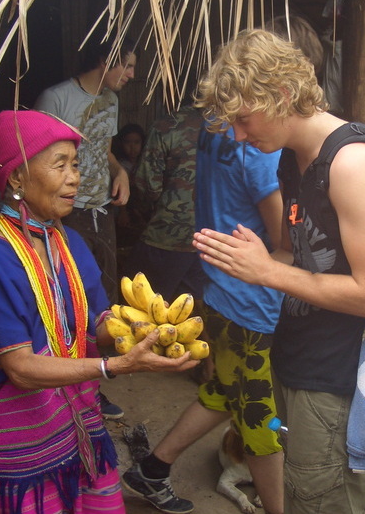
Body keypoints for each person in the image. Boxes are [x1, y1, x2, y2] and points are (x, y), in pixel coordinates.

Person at [190, 29, 365, 514]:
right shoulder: (292, 159)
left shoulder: (352, 165)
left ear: (281, 95)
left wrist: (267, 272)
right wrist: (247, 261)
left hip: (337, 371)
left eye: (244, 119)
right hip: (298, 354)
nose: (239, 135)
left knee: (318, 498)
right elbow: (306, 261)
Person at [0, 110, 197, 514]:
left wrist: (144, 331)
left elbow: (96, 323)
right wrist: (113, 367)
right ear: (16, 177)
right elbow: (20, 368)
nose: (74, 177)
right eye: (60, 165)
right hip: (23, 447)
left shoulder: (66, 242)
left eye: (76, 164)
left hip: (79, 426)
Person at [122, 126, 285, 514]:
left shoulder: (216, 128)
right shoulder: (259, 146)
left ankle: (153, 468)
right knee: (260, 415)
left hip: (219, 286)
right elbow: (284, 241)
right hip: (252, 301)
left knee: (229, 391)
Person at [35, 38, 135, 420]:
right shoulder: (55, 98)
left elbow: (104, 150)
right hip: (66, 214)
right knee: (67, 302)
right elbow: (39, 159)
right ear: (104, 60)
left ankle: (91, 388)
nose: (131, 75)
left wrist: (120, 170)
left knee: (101, 303)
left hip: (100, 210)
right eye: (126, 65)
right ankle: (63, 385)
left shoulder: (110, 100)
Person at [123, 105, 209, 303]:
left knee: (141, 306)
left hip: (168, 235)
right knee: (191, 314)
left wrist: (140, 210)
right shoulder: (232, 125)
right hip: (214, 240)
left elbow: (147, 186)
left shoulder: (167, 126)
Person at [111, 123, 149, 253]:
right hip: (124, 208)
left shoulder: (146, 163)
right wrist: (123, 212)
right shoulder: (119, 165)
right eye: (128, 142)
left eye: (136, 142)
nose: (132, 147)